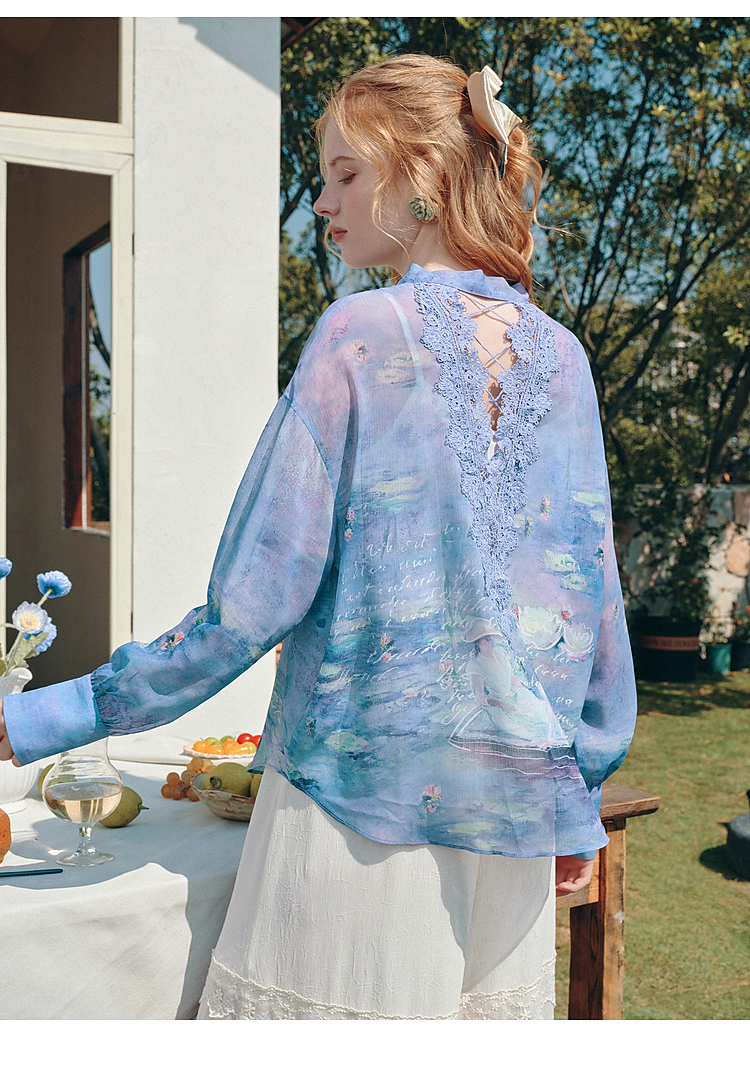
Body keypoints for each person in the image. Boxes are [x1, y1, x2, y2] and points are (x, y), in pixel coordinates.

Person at [0, 55, 637, 1020]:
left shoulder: (359, 333)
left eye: (346, 172)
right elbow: (592, 611)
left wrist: (45, 716)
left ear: (425, 176)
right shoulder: (568, 358)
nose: (324, 200)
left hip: (353, 829)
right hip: (513, 838)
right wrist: (573, 793)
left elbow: (246, 609)